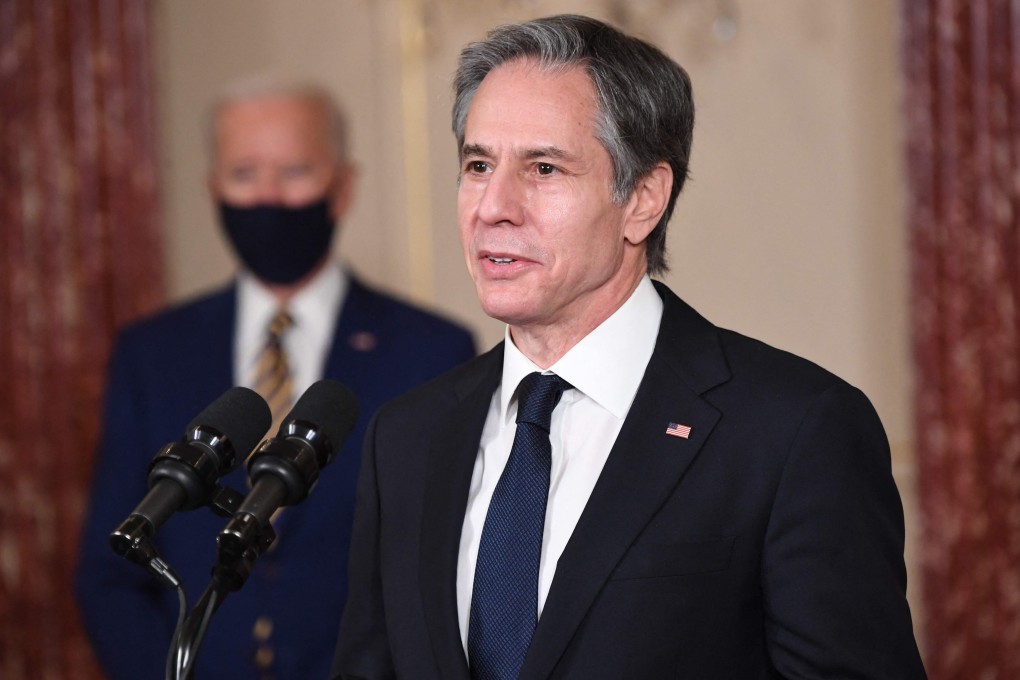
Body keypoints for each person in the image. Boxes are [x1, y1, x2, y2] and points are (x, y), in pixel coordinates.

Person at [332, 14, 927, 679]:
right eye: (477, 164)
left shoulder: (793, 432)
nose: (493, 206)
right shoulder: (406, 438)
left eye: (544, 168)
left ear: (643, 200)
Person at [74, 78, 476, 680]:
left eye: (294, 172)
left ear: (343, 186)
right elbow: (113, 569)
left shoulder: (433, 349)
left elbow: (447, 570)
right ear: (213, 189)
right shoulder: (150, 353)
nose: (267, 197)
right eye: (244, 174)